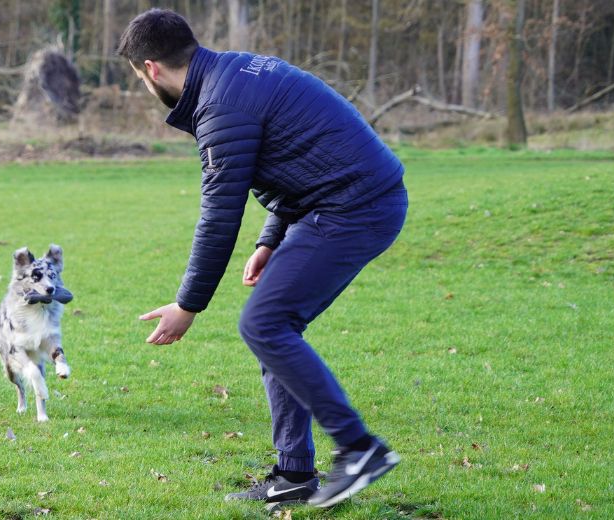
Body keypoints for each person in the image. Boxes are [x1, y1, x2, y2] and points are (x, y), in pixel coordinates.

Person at [120, 8, 407, 509]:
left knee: (264, 324)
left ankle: (360, 449)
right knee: (275, 329)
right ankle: (294, 474)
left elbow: (219, 214)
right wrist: (270, 239)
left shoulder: (220, 104)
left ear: (151, 69)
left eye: (141, 79)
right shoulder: (234, 73)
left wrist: (187, 305)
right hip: (341, 200)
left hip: (354, 207)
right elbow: (298, 155)